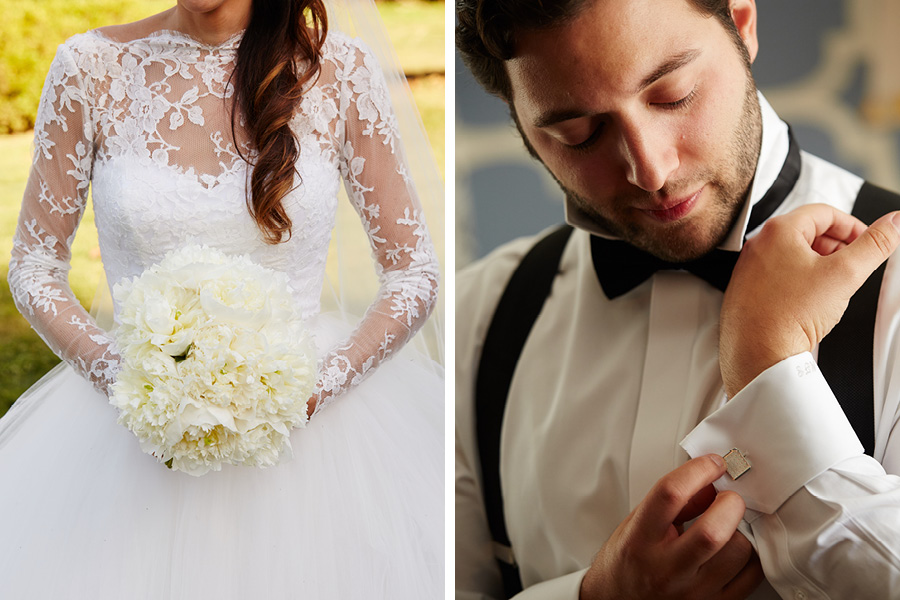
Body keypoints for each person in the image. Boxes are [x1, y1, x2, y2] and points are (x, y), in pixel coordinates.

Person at [455, 0, 900, 598]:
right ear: (521, 123)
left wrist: (767, 368)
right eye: (578, 134)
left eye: (673, 94)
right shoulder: (476, 322)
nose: (650, 169)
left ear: (742, 24)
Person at [0, 0, 443, 597]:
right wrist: (129, 379)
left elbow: (413, 273)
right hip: (126, 440)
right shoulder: (90, 68)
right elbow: (34, 265)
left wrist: (312, 390)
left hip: (312, 448)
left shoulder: (340, 71)